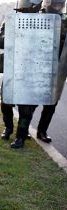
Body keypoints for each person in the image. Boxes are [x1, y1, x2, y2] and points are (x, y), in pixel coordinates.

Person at [0, 0, 42, 148]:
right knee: (6, 103)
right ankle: (8, 127)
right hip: (12, 67)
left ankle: (20, 137)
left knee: (26, 107)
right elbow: (1, 42)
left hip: (31, 70)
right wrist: (15, 33)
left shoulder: (42, 20)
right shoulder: (11, 19)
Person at [34, 0, 67, 143]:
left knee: (51, 103)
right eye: (55, 4)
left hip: (59, 67)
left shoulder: (65, 20)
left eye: (60, 4)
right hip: (38, 65)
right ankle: (22, 132)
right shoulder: (38, 17)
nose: (57, 7)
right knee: (29, 101)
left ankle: (42, 131)